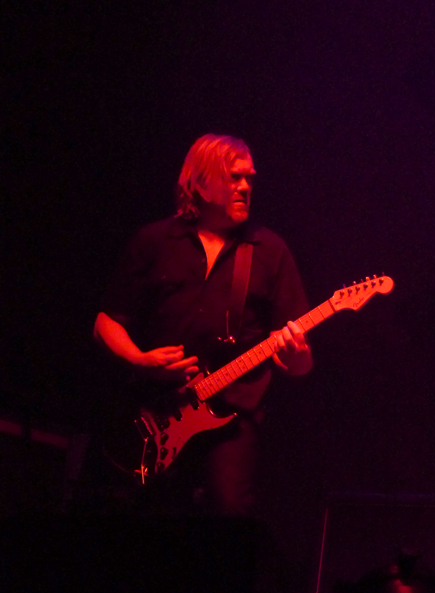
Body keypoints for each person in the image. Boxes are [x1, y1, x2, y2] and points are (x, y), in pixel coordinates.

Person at [93, 134, 312, 516]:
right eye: (233, 177)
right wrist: (139, 361)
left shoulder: (269, 250)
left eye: (249, 178)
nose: (245, 187)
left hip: (231, 417)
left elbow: (301, 366)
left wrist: (297, 353)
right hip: (151, 411)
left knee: (228, 512)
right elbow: (106, 321)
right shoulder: (154, 241)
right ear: (201, 183)